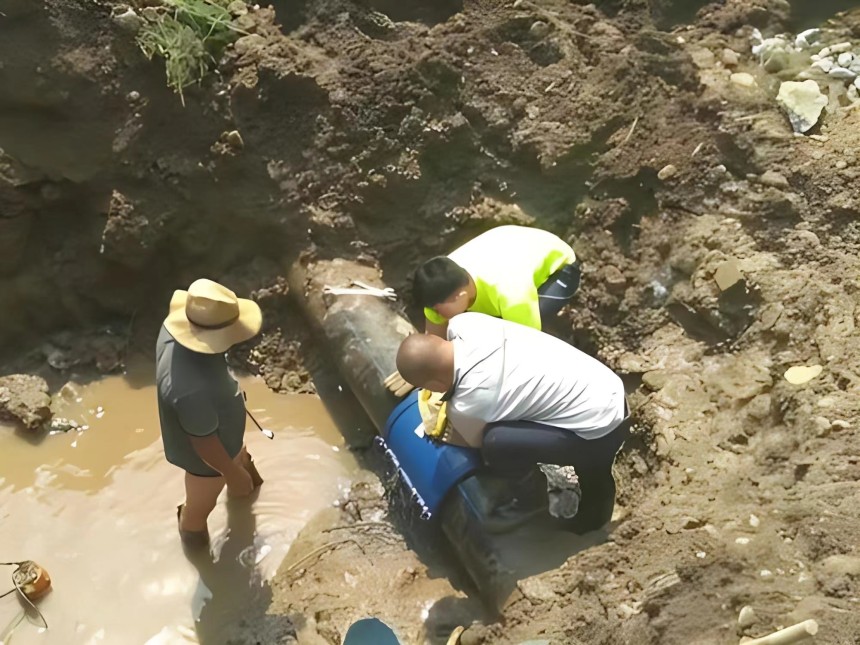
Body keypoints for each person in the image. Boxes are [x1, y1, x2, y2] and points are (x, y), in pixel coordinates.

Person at [395, 312, 629, 534]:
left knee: (496, 442)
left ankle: (530, 500)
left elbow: (475, 442)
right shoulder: (466, 323)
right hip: (605, 386)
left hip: (600, 431)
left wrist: (445, 433)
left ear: (435, 383)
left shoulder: (468, 403)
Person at [156, 278, 264, 548]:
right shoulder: (191, 392)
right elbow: (204, 443)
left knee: (248, 481)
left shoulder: (176, 332)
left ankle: (242, 496)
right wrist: (230, 473)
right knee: (197, 511)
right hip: (205, 464)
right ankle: (201, 560)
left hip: (221, 428)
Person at [413, 225, 580, 338]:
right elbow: (435, 340)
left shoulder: (512, 294)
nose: (436, 314)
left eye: (438, 310)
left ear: (460, 296)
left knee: (499, 335)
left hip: (559, 270)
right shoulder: (439, 285)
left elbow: (526, 345)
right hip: (507, 246)